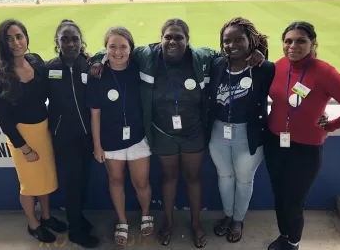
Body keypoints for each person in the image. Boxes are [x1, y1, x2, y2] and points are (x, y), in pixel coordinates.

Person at [90, 18, 266, 248]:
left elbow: (232, 52)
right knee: (169, 178)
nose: (173, 41)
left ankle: (195, 224)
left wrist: (259, 53)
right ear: (160, 39)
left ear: (187, 40)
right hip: (162, 133)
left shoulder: (202, 56)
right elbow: (117, 48)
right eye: (168, 37)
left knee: (194, 178)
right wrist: (97, 59)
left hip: (194, 132)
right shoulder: (146, 55)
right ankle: (169, 223)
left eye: (179, 37)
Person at [264, 21, 340, 250]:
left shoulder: (325, 72)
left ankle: (293, 242)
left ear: (313, 43)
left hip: (305, 148)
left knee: (294, 200)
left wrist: (331, 125)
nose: (293, 46)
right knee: (279, 195)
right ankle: (284, 235)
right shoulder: (279, 65)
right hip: (274, 141)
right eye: (288, 41)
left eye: (301, 41)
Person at [0, 19, 67, 243]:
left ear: (26, 38)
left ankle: (47, 217)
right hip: (22, 137)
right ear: (2, 43)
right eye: (9, 38)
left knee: (46, 178)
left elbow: (58, 69)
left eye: (19, 36)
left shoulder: (36, 61)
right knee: (30, 184)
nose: (15, 42)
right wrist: (24, 148)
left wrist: (88, 57)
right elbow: (4, 119)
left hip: (44, 131)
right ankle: (33, 224)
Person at [208, 17, 275, 243]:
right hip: (218, 132)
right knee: (225, 177)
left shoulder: (263, 68)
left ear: (250, 41)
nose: (232, 45)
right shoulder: (217, 64)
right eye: (227, 41)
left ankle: (238, 219)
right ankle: (228, 215)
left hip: (249, 134)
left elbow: (288, 89)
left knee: (244, 180)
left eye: (239, 39)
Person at [86, 26, 154, 246]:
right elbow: (95, 113)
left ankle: (145, 214)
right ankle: (122, 221)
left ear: (130, 49)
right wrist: (97, 145)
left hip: (138, 137)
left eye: (123, 46)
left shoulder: (139, 67)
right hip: (110, 139)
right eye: (112, 46)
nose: (117, 52)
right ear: (105, 49)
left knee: (141, 182)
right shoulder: (98, 73)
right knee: (115, 180)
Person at [45, 19, 99, 248]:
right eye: (64, 39)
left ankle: (78, 218)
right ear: (57, 42)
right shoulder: (48, 68)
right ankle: (75, 230)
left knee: (83, 181)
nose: (69, 43)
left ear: (81, 42)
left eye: (74, 39)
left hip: (87, 136)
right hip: (64, 137)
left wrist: (95, 59)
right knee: (74, 183)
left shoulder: (88, 65)